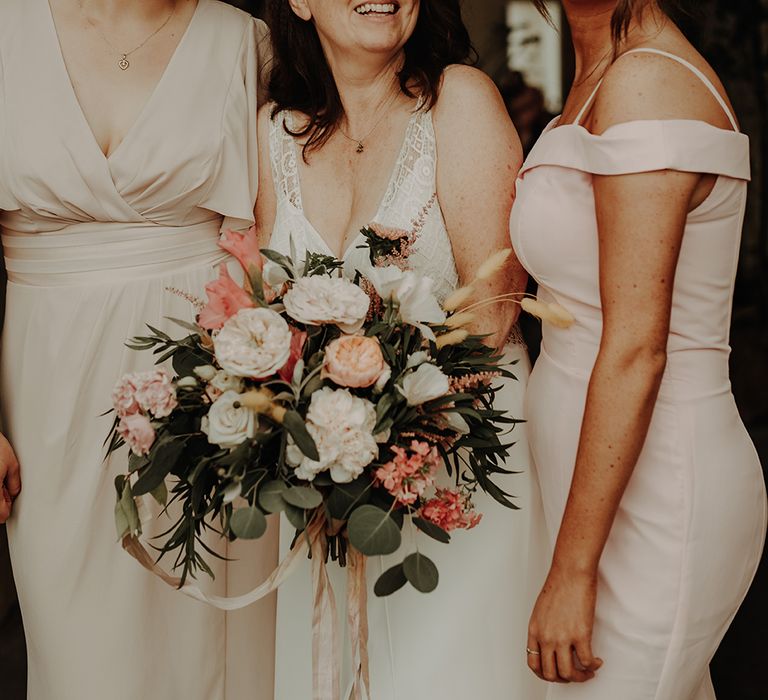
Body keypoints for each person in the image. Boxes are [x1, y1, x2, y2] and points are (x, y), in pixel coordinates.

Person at [254, 1, 549, 697]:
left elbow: (494, 311)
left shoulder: (457, 101)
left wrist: (378, 421)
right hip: (327, 498)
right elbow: (260, 318)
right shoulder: (271, 134)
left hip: (459, 485)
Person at [0, 1, 277, 698]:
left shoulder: (243, 41)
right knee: (78, 645)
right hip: (44, 382)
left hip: (209, 381)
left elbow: (277, 232)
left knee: (208, 633)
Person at [511, 0, 767, 697]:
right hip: (592, 491)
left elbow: (635, 349)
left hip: (660, 494)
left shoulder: (648, 83)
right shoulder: (601, 66)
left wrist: (572, 570)